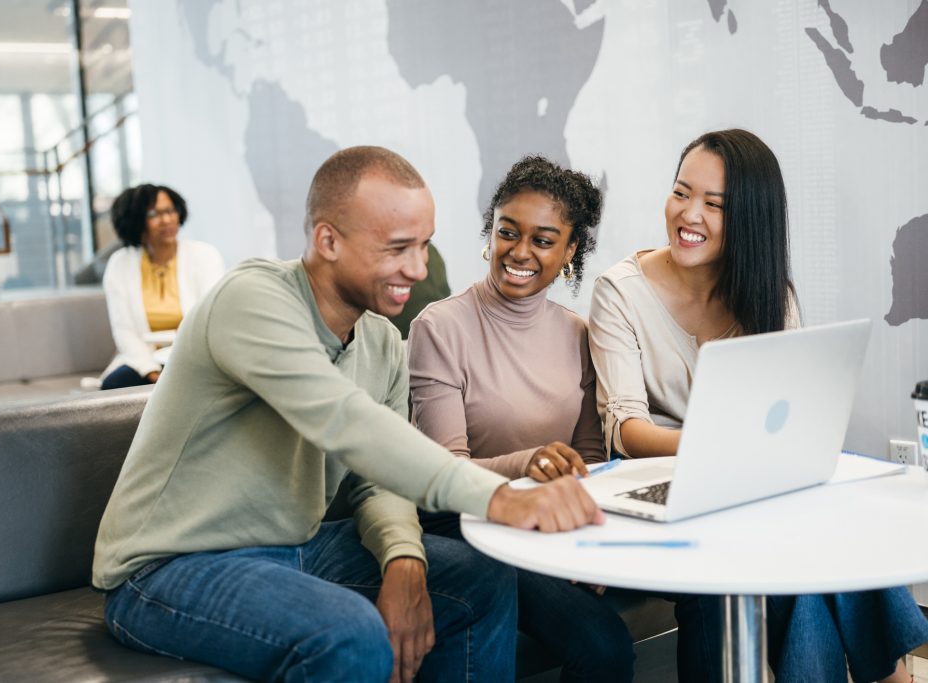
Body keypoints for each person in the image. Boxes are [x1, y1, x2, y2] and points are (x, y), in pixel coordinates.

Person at [92, 146, 605, 683]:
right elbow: (345, 422)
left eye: (424, 245)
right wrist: (499, 499)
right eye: (397, 248)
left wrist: (404, 558)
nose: (419, 268)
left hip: (294, 547)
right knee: (351, 633)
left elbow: (374, 480)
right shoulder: (251, 299)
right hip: (168, 567)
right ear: (328, 240)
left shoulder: (382, 341)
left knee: (479, 578)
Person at [588, 128, 928, 682]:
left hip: (753, 487)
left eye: (714, 204)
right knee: (798, 550)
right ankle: (895, 676)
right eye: (681, 192)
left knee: (824, 524)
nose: (688, 213)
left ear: (750, 216)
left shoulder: (771, 293)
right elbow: (626, 428)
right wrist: (726, 451)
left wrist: (762, 457)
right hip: (672, 494)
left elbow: (798, 411)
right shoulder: (620, 292)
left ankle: (892, 676)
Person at [407, 155, 634, 681]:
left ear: (570, 250)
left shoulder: (578, 333)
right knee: (602, 646)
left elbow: (592, 458)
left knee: (611, 643)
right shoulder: (439, 328)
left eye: (543, 239)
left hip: (551, 520)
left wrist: (586, 546)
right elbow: (445, 474)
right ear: (492, 232)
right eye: (509, 232)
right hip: (467, 521)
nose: (520, 252)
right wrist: (529, 464)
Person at [99, 184, 225, 390]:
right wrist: (150, 371)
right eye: (154, 214)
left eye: (170, 210)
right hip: (145, 358)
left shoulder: (204, 256)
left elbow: (211, 319)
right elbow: (124, 330)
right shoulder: (120, 263)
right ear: (136, 220)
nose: (166, 220)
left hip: (194, 355)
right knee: (114, 384)